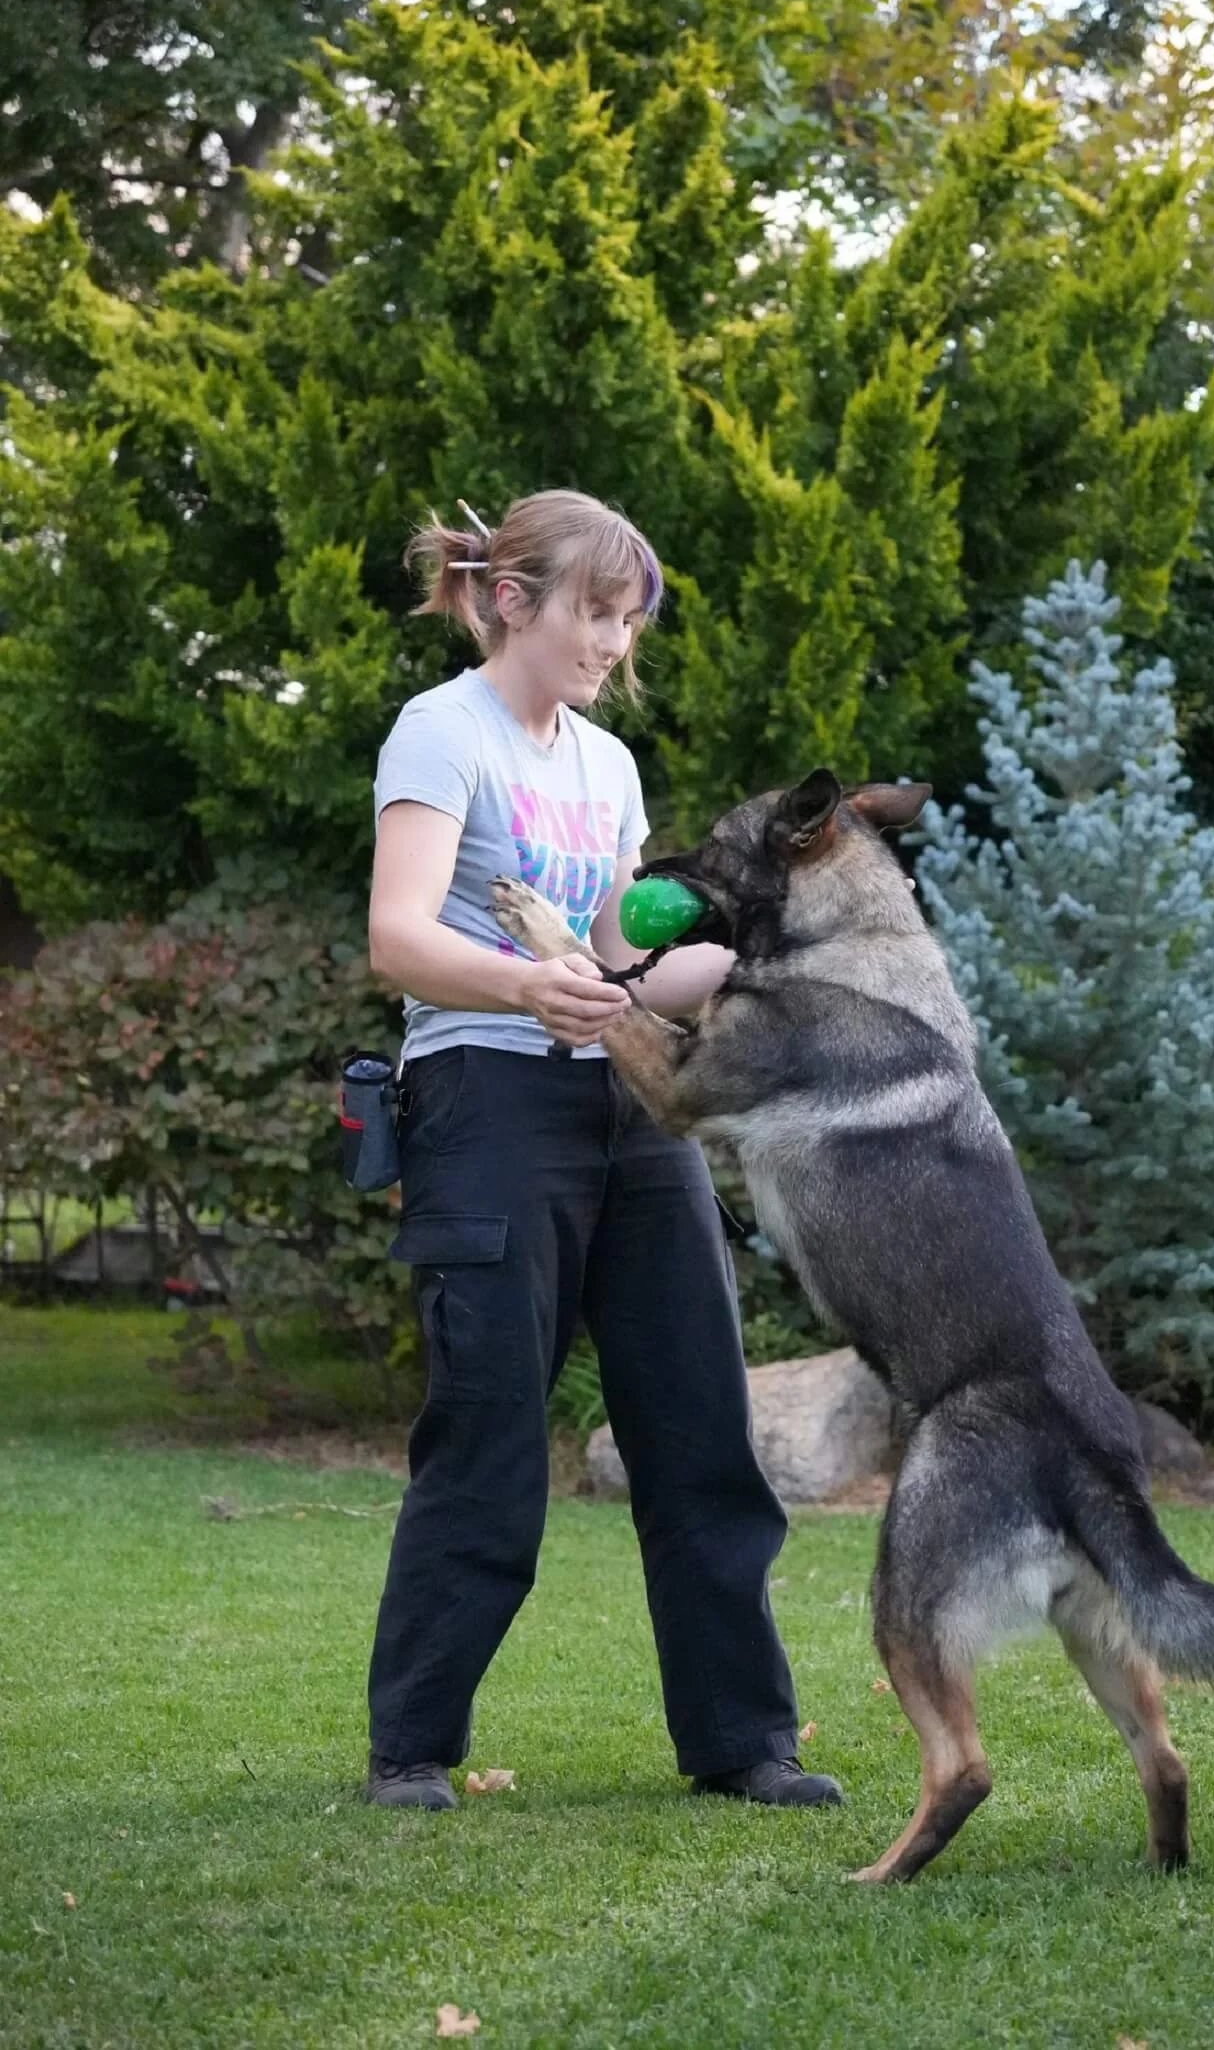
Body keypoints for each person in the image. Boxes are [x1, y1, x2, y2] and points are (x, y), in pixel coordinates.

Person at [363, 488, 840, 1813]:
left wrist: (744, 955)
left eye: (627, 622)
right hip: (484, 1102)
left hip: (630, 1105)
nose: (612, 643)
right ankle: (412, 1742)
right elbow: (399, 935)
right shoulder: (440, 734)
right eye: (596, 612)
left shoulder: (606, 765)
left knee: (698, 1420)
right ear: (514, 600)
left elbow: (626, 947)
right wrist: (529, 987)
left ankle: (745, 1740)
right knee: (489, 1430)